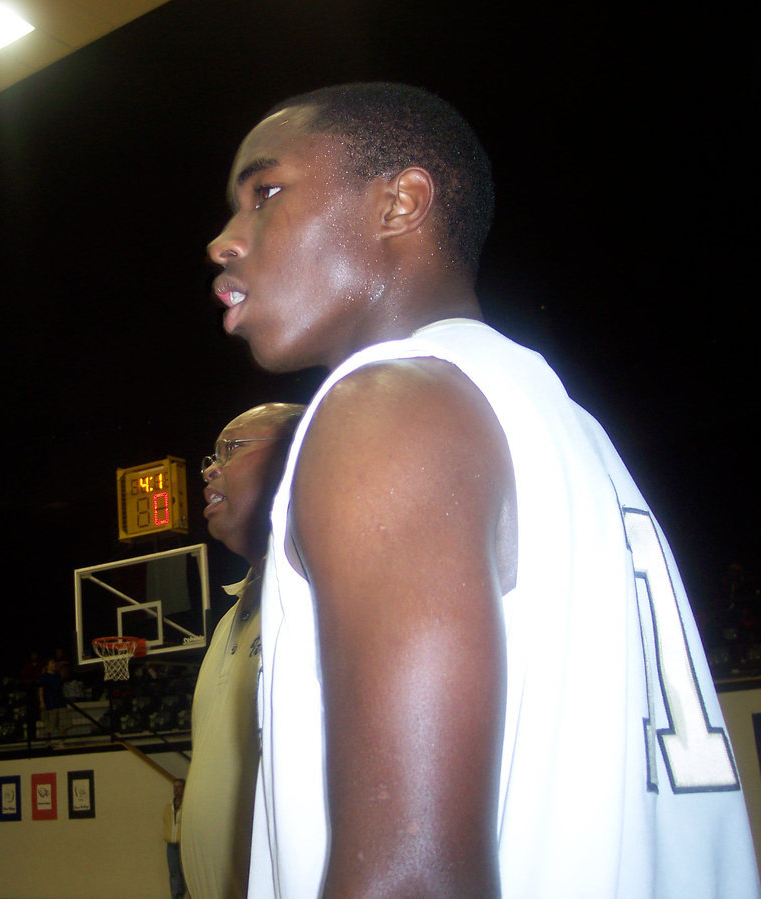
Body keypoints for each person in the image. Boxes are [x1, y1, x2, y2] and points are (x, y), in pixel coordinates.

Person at [205, 82, 759, 897]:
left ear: (401, 201)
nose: (224, 240)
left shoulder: (386, 406)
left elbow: (414, 880)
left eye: (267, 193)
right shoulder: (558, 416)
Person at [182, 403, 304, 898]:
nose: (210, 469)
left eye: (230, 450)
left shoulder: (318, 599)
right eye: (210, 456)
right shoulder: (230, 618)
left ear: (298, 457)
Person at [163, 778, 187, 899]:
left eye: (178, 787)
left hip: (183, 845)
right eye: (174, 787)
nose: (176, 790)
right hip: (171, 845)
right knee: (174, 873)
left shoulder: (187, 806)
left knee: (185, 873)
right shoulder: (169, 806)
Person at [37, 658, 66, 741]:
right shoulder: (44, 677)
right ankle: (47, 743)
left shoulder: (57, 675)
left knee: (64, 725)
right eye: (52, 663)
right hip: (50, 704)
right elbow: (41, 690)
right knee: (49, 727)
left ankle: (61, 742)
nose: (54, 665)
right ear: (47, 666)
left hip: (60, 703)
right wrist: (42, 702)